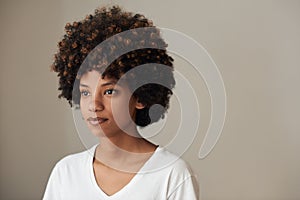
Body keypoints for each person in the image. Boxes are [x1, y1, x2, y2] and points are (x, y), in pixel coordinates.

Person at [43, 5, 199, 200]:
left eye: (109, 91)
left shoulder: (172, 175)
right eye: (85, 92)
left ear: (140, 97)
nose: (94, 105)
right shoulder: (66, 173)